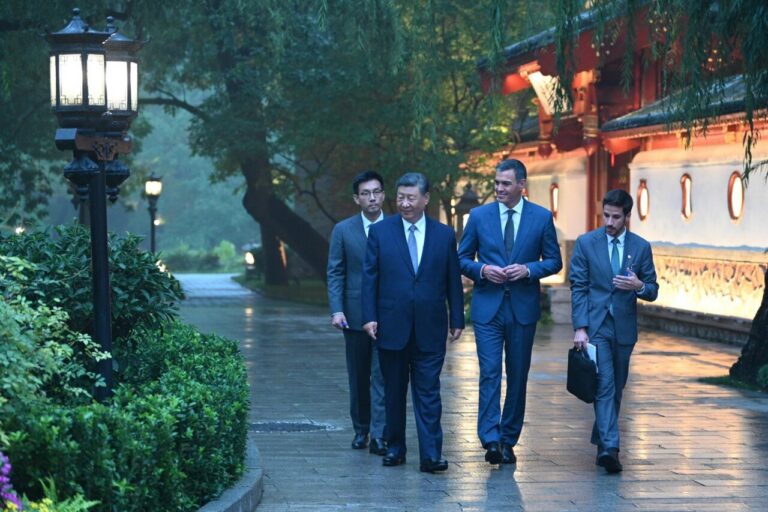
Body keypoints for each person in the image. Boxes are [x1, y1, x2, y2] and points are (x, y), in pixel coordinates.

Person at [458, 158, 562, 465]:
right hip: (488, 307)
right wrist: (483, 269)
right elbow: (461, 258)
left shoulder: (541, 218)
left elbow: (554, 261)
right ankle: (489, 439)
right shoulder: (478, 216)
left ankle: (508, 438)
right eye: (496, 183)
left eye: (505, 183)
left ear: (521, 185)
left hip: (523, 308)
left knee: (518, 375)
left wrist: (528, 270)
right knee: (489, 373)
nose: (499, 188)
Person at [361, 172, 464, 473]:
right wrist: (369, 317)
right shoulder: (381, 233)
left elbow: (452, 280)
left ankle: (432, 455)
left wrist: (457, 317)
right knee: (394, 392)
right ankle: (395, 447)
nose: (404, 203)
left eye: (411, 197)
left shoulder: (443, 235)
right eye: (400, 197)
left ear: (425, 199)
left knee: (429, 393)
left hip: (430, 328)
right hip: (391, 326)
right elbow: (370, 279)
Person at [570, 189, 658, 474]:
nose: (609, 221)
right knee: (605, 383)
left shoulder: (641, 247)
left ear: (627, 217)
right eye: (606, 215)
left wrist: (639, 287)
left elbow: (653, 290)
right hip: (596, 326)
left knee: (617, 386)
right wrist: (580, 328)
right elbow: (579, 287)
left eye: (616, 217)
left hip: (624, 327)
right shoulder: (586, 244)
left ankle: (601, 436)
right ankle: (610, 448)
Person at [327, 171, 388, 455]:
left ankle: (379, 433)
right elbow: (336, 272)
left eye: (376, 192)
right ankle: (361, 429)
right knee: (359, 375)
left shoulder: (397, 227)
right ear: (357, 198)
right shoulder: (343, 230)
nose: (372, 198)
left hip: (389, 313)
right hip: (353, 314)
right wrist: (337, 310)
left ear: (384, 195)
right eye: (365, 193)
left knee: (383, 375)